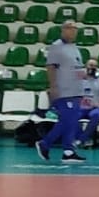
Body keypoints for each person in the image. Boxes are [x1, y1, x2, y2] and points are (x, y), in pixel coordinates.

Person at [36, 20, 87, 163]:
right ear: (63, 30)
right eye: (70, 28)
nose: (73, 31)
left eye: (75, 29)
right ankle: (45, 143)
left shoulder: (74, 47)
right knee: (67, 120)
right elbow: (50, 67)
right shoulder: (56, 47)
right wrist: (53, 87)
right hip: (64, 90)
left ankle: (68, 151)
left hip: (76, 89)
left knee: (70, 121)